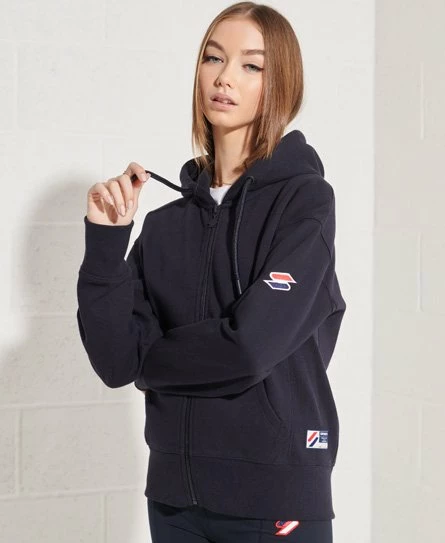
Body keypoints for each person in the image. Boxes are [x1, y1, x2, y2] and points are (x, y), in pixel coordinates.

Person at [76, 2, 347, 541]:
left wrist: (152, 361)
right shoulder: (163, 226)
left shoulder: (304, 203)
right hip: (174, 501)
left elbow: (250, 348)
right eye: (213, 58)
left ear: (281, 84)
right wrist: (106, 241)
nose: (225, 78)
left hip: (276, 497)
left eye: (251, 65)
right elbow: (115, 362)